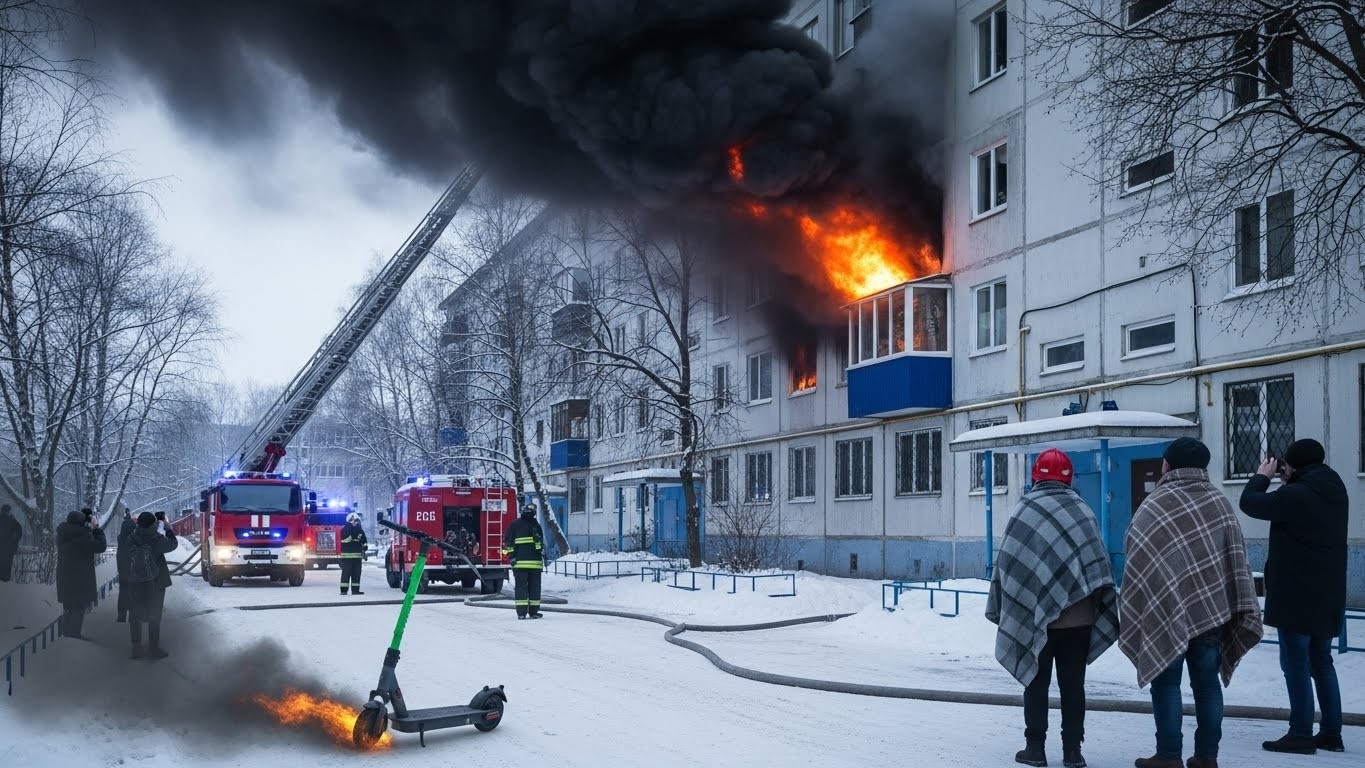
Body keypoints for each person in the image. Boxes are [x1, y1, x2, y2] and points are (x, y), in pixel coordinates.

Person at [1121, 438, 1263, 768]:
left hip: (1165, 610)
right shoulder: (1219, 503)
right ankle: (1206, 757)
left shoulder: (1155, 504)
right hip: (1212, 611)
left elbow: (1135, 548)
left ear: (1168, 464)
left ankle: (1168, 755)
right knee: (1207, 684)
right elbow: (1235, 557)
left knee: (1166, 684)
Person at [986, 449, 1118, 768]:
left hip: (1034, 618)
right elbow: (1096, 564)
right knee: (1073, 686)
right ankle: (1073, 751)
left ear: (1036, 476)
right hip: (1079, 620)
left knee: (1035, 681)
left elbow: (1010, 563)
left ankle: (1035, 748)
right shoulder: (1082, 510)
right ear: (1069, 478)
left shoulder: (1024, 509)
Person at [1238, 438, 1347, 754]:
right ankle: (1331, 733)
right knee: (1322, 662)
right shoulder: (1335, 489)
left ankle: (1300, 733)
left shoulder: (1296, 494)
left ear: (1294, 464)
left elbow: (1250, 503)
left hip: (1296, 592)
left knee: (1296, 662)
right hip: (1328, 592)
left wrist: (1262, 477)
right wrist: (1288, 477)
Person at [123, 511, 178, 660]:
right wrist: (168, 529)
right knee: (154, 615)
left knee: (135, 615)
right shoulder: (157, 538)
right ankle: (153, 649)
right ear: (153, 524)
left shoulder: (131, 538)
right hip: (156, 582)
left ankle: (136, 648)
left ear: (138, 523)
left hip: (135, 582)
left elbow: (125, 557)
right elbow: (173, 544)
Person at [56, 509, 108, 640]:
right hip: (81, 578)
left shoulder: (61, 534)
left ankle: (65, 635)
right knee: (78, 608)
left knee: (68, 606)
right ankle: (74, 636)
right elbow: (101, 547)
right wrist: (96, 529)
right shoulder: (84, 536)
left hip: (64, 577)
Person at [503, 502, 545, 619]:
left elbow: (508, 543)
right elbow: (540, 545)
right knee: (534, 589)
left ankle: (521, 613)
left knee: (521, 588)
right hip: (535, 564)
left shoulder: (514, 525)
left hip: (520, 564)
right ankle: (533, 612)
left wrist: (512, 557)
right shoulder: (536, 525)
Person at [115, 510, 137, 622]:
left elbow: (119, 556)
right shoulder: (134, 540)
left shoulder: (121, 540)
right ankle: (133, 616)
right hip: (134, 571)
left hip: (123, 570)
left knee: (123, 592)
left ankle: (121, 616)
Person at [339, 511, 367, 596]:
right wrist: (355, 539)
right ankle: (344, 590)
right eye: (355, 520)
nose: (356, 522)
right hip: (347, 557)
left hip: (357, 556)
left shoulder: (360, 530)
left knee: (356, 574)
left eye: (357, 521)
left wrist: (365, 547)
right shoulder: (345, 529)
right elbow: (347, 539)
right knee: (346, 573)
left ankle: (355, 590)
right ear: (350, 521)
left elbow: (364, 540)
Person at [0, 503, 22, 582]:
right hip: (9, 547)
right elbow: (19, 531)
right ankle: (5, 580)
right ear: (8, 511)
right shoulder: (12, 520)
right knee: (7, 564)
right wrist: (15, 542)